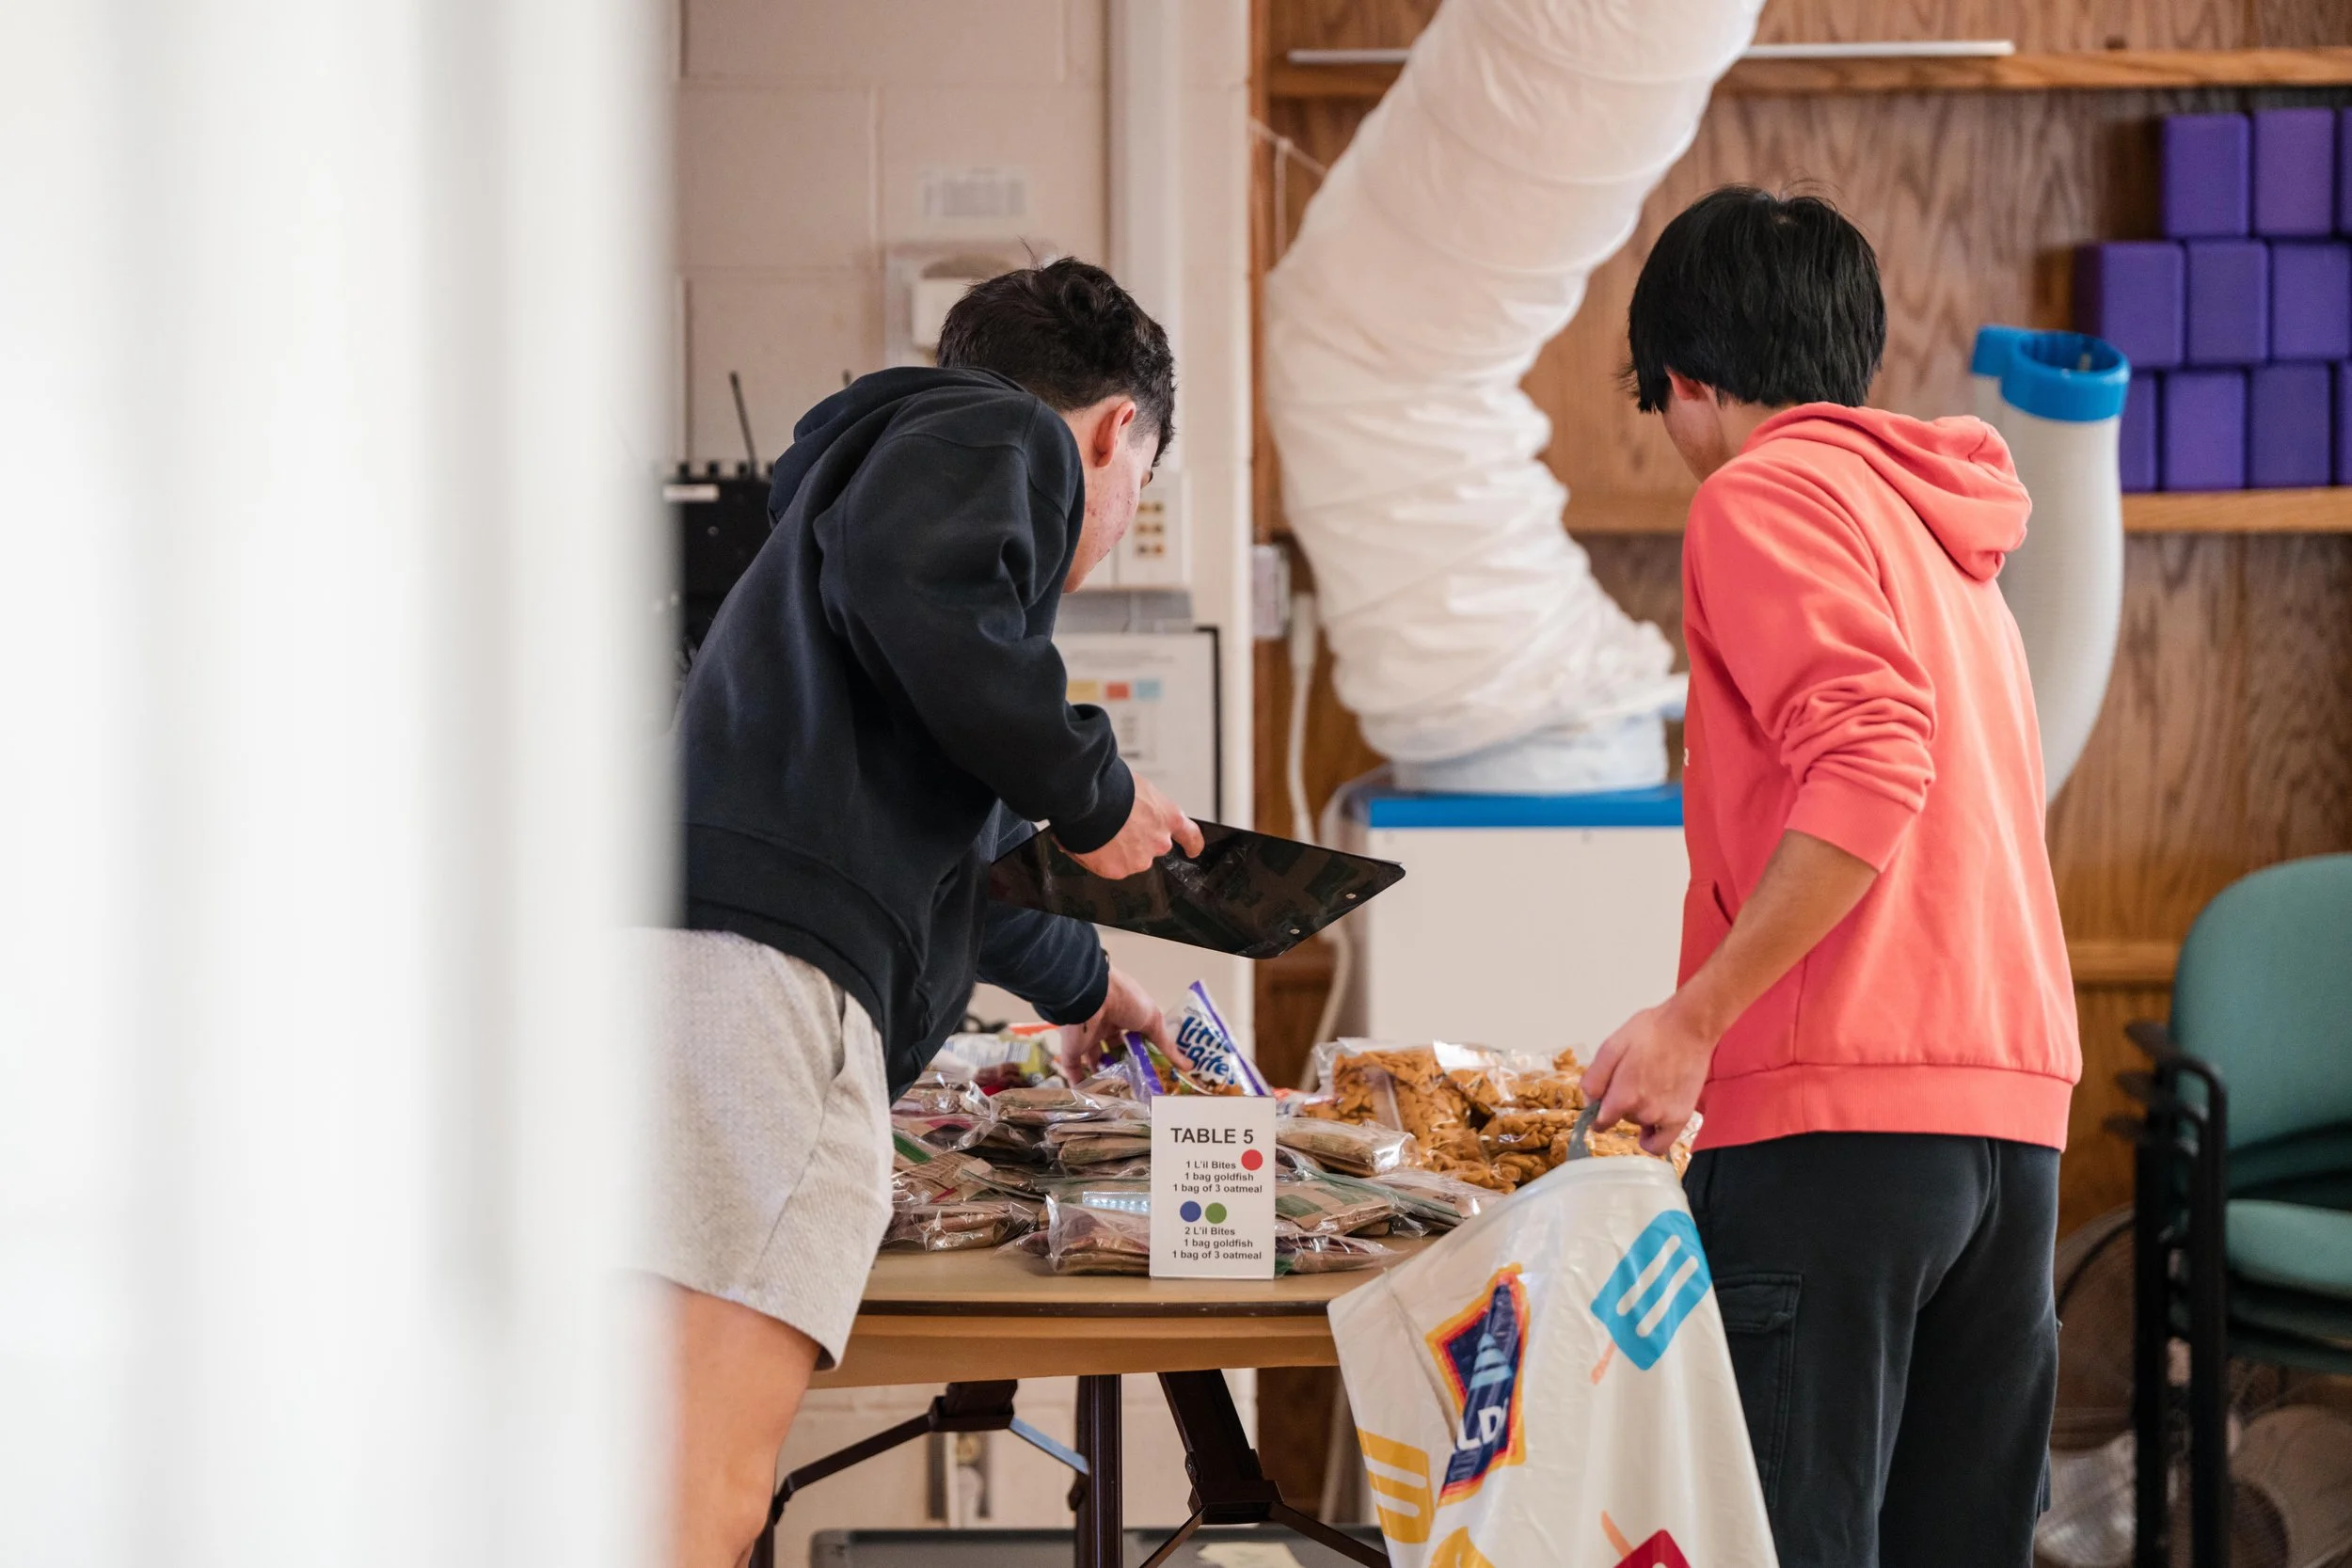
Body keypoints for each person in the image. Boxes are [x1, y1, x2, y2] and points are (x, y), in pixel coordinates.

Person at [647, 259, 1204, 1568]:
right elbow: (940, 616)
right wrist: (1095, 787)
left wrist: (1092, 993)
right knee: (699, 1488)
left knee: (650, 1457)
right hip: (760, 991)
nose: (1116, 519)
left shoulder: (864, 517)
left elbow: (967, 851)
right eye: (1141, 487)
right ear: (1117, 428)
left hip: (682, 972)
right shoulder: (997, 432)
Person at [1581, 187, 2080, 1567]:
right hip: (2009, 1123)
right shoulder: (1947, 536)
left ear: (1689, 379)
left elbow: (1872, 759)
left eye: (1661, 407)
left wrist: (1693, 1021)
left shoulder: (1762, 493)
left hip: (1837, 1131)